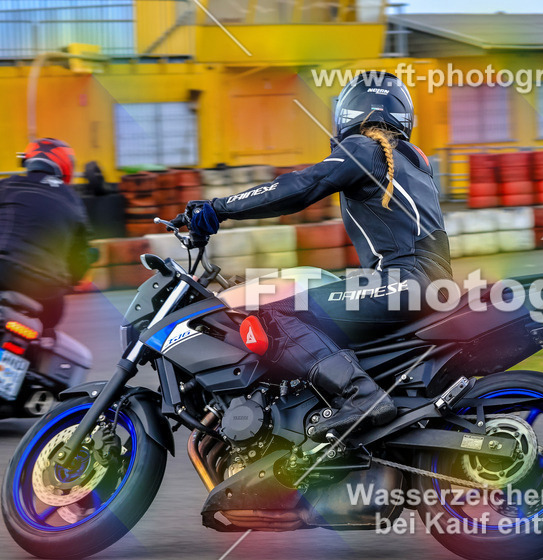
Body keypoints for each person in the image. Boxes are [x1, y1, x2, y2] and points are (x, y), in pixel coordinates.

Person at [183, 72, 450, 439]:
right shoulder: (412, 161)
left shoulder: (363, 149)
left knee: (276, 311)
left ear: (348, 112)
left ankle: (361, 396)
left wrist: (218, 208)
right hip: (424, 284)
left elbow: (299, 187)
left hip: (404, 281)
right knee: (314, 295)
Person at [0, 138, 92, 330]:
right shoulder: (74, 202)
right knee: (45, 335)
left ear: (30, 160)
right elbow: (81, 257)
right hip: (48, 290)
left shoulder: (11, 184)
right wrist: (73, 279)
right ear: (65, 165)